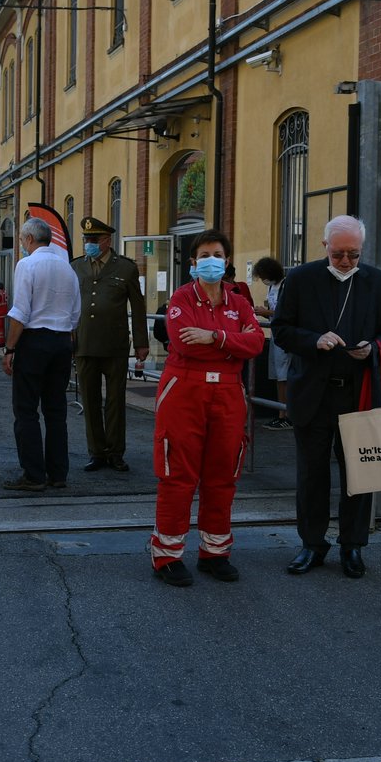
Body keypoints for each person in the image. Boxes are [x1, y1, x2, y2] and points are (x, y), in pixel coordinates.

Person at [271, 214, 381, 579]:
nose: (346, 261)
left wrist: (374, 347)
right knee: (311, 475)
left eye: (354, 254)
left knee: (360, 476)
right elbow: (281, 330)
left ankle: (352, 546)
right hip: (312, 393)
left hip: (357, 394)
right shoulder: (299, 279)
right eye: (339, 253)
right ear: (324, 246)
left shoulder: (377, 282)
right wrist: (314, 340)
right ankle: (312, 544)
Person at [149, 230, 265, 586]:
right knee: (178, 475)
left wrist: (216, 337)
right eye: (204, 254)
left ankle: (215, 552)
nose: (212, 260)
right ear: (193, 262)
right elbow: (186, 346)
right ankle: (167, 555)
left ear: (227, 260)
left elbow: (257, 342)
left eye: (218, 253)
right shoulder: (181, 298)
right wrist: (234, 345)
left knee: (223, 475)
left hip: (228, 394)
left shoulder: (239, 301)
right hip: (184, 390)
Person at [0, 217, 81, 492]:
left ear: (30, 239)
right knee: (56, 411)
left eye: (23, 240)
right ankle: (58, 473)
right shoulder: (68, 269)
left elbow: (20, 311)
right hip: (62, 340)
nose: (22, 245)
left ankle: (33, 474)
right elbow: (76, 313)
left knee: (26, 410)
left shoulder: (27, 264)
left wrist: (10, 348)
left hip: (35, 340)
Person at [71, 216, 149, 472]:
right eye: (86, 239)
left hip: (114, 343)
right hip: (84, 343)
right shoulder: (76, 267)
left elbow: (138, 306)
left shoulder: (125, 268)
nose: (89, 244)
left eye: (94, 239)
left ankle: (116, 451)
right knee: (90, 400)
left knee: (115, 401)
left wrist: (141, 342)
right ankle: (97, 452)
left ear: (107, 240)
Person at [251, 256, 291, 430]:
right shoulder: (272, 288)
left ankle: (287, 414)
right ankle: (280, 412)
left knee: (284, 376)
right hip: (276, 335)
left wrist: (265, 311)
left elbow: (287, 311)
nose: (262, 280)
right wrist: (265, 313)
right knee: (277, 375)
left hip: (284, 337)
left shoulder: (285, 285)